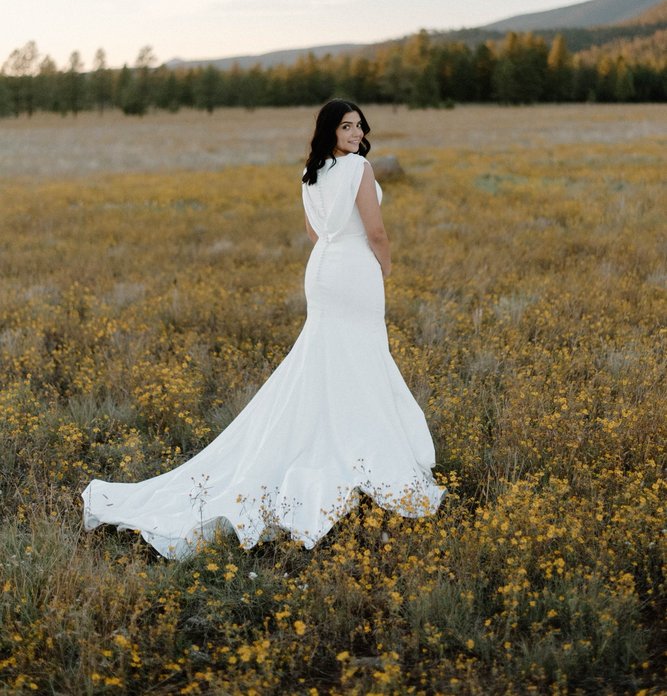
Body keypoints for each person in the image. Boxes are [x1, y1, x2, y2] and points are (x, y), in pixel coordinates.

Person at [82, 99, 445, 557]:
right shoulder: (359, 169)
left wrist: (339, 251)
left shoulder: (309, 174)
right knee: (361, 355)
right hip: (354, 269)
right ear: (330, 130)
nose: (356, 133)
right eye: (347, 126)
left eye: (359, 126)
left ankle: (326, 434)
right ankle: (356, 446)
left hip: (323, 268)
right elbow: (376, 232)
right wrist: (384, 267)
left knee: (326, 355)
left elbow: (315, 234)